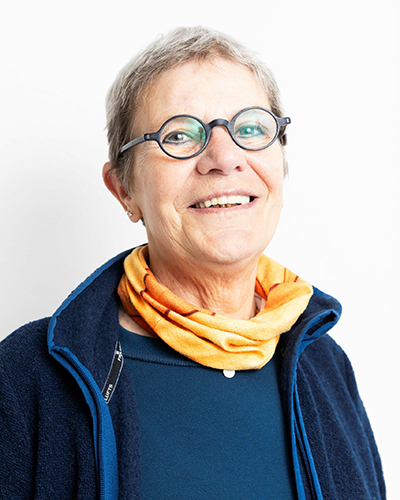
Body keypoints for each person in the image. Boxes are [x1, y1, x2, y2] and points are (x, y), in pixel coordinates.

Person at [0, 26, 385, 500]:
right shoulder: (27, 377)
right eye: (179, 135)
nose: (224, 158)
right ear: (124, 189)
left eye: (250, 128)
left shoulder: (324, 365)